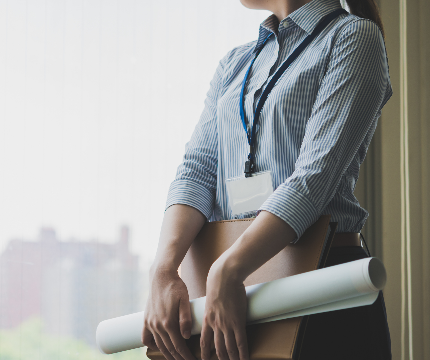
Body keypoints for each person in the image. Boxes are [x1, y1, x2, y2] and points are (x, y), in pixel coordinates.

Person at [141, 0, 393, 359]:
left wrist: (228, 268)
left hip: (320, 289)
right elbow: (195, 171)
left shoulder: (353, 37)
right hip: (229, 291)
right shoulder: (236, 62)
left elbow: (313, 176)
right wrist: (163, 271)